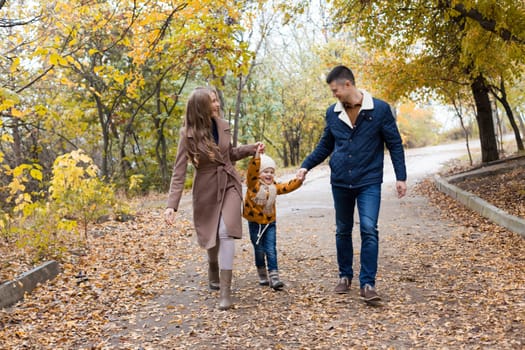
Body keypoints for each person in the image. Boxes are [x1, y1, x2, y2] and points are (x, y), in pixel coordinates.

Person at [297, 65, 407, 302]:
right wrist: (306, 166)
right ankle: (344, 276)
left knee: (369, 228)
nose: (333, 94)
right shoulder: (333, 112)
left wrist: (401, 177)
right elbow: (325, 145)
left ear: (348, 84)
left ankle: (367, 284)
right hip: (340, 181)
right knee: (343, 230)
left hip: (368, 180)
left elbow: (395, 143)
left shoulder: (379, 109)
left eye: (335, 89)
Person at [164, 86, 262, 310]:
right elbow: (179, 171)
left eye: (217, 100)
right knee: (212, 233)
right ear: (200, 107)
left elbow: (230, 155)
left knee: (225, 231)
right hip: (206, 188)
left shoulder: (223, 126)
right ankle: (213, 264)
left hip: (229, 182)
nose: (217, 105)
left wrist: (251, 149)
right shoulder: (186, 135)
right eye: (212, 102)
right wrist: (172, 205)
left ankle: (225, 292)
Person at [243, 144, 303, 290]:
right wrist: (256, 156)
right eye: (265, 172)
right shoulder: (253, 185)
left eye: (271, 172)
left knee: (270, 248)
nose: (269, 175)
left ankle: (274, 277)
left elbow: (286, 186)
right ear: (258, 173)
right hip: (255, 223)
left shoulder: (274, 187)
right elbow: (251, 171)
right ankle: (262, 272)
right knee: (259, 250)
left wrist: (299, 180)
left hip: (270, 223)